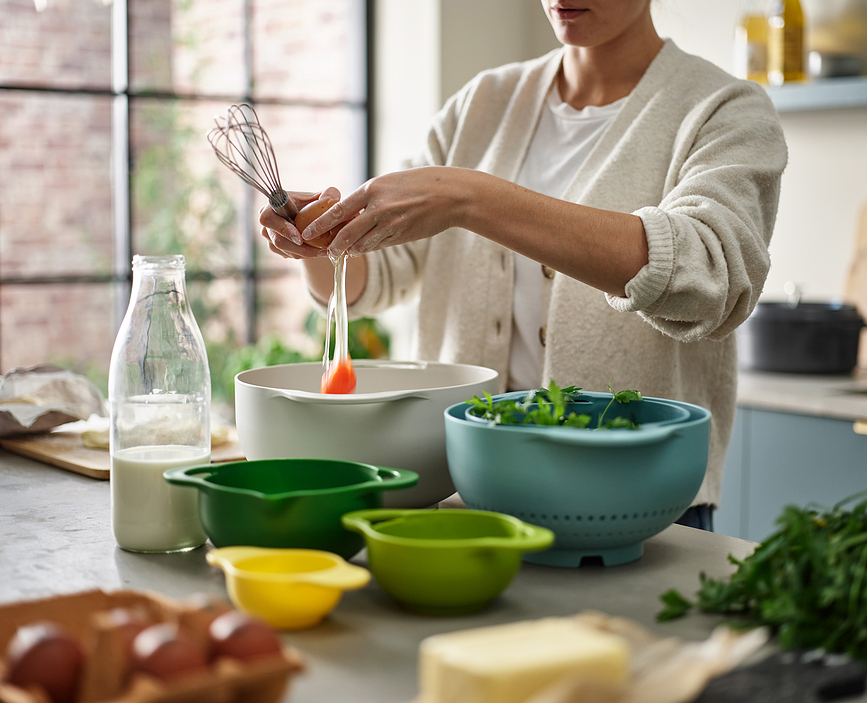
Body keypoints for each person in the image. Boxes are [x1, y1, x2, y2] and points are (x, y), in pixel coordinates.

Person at [259, 0, 788, 531]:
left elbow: (710, 276)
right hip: (465, 487)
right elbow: (383, 276)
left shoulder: (724, 108)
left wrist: (473, 199)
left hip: (636, 503)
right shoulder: (482, 104)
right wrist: (324, 242)